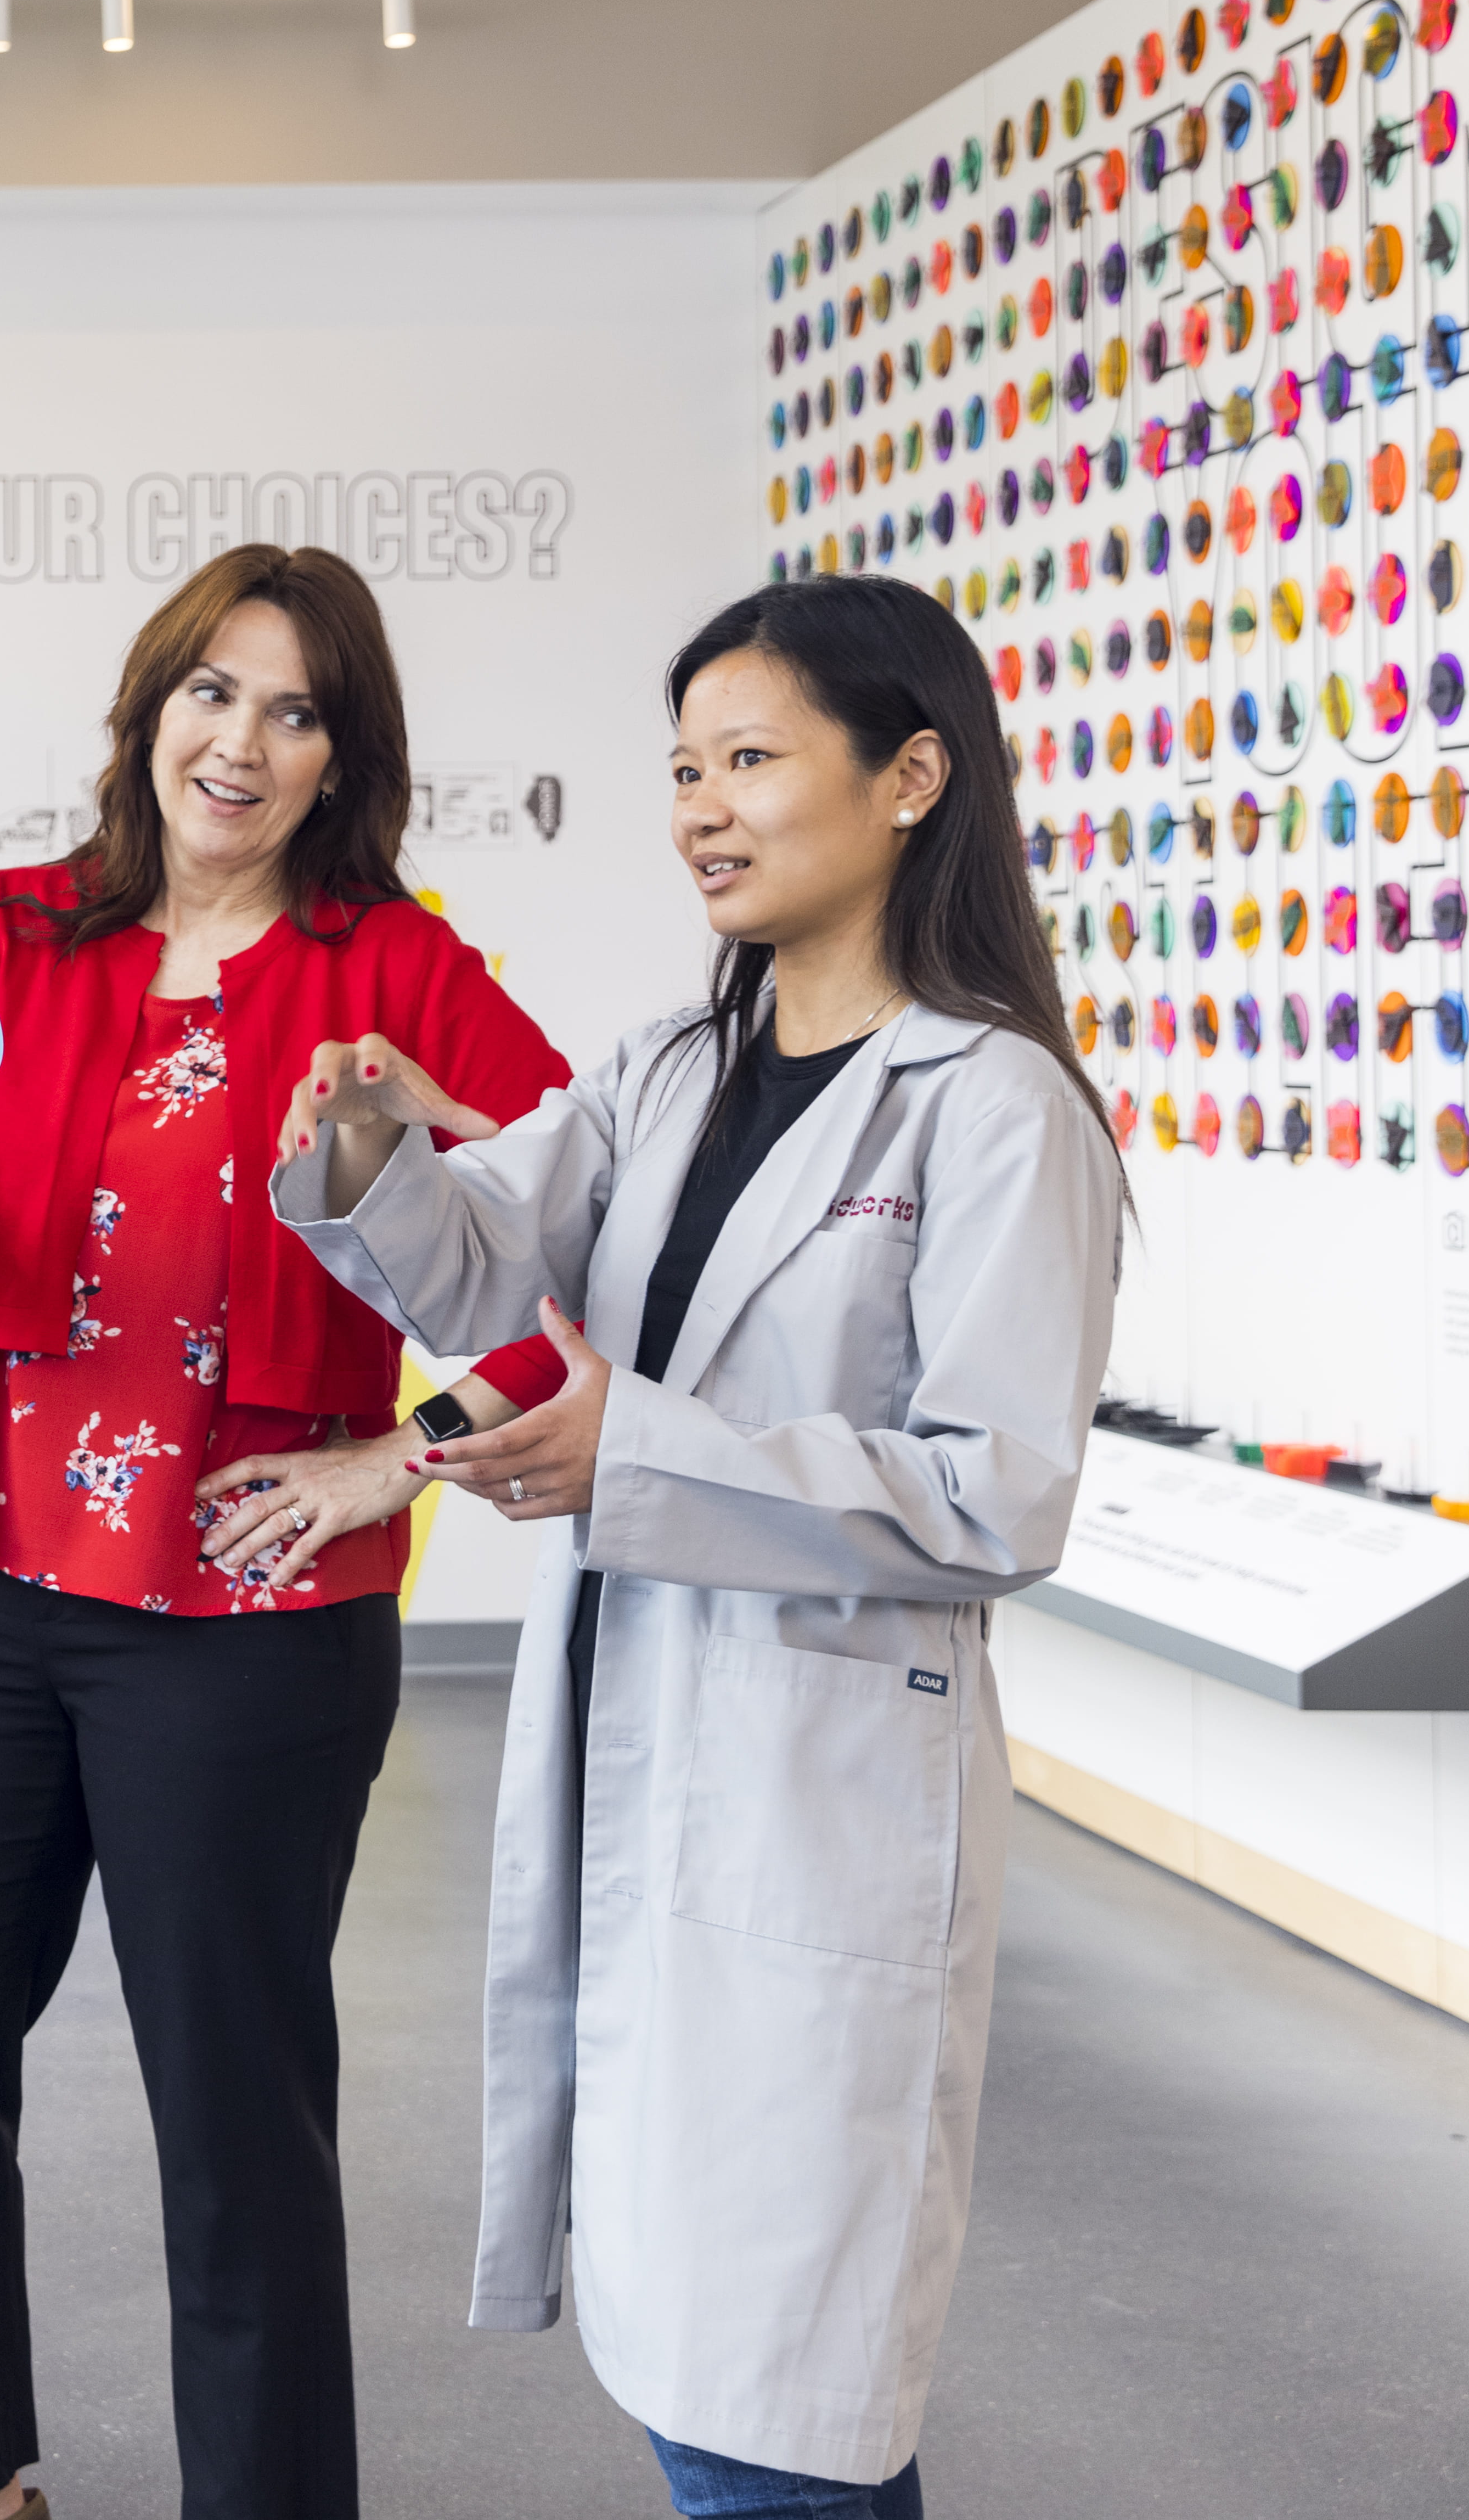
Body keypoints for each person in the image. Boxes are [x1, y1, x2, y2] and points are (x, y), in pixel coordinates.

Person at [269, 575, 1123, 2520]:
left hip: (822, 1806)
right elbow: (484, 1257)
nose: (700, 809)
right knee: (690, 2364)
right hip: (645, 1762)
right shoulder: (671, 1068)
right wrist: (367, 1142)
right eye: (681, 768)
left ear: (912, 777)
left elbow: (995, 1495)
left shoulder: (993, 1113)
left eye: (749, 759)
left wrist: (628, 1454)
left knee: (780, 2405)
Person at [0, 543, 577, 2520]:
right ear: (148, 712)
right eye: (211, 693)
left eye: (296, 709)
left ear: (344, 758)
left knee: (231, 2117)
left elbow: (584, 1298)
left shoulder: (400, 976)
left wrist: (390, 1460)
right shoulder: (6, 930)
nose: (240, 742)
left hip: (241, 1622)